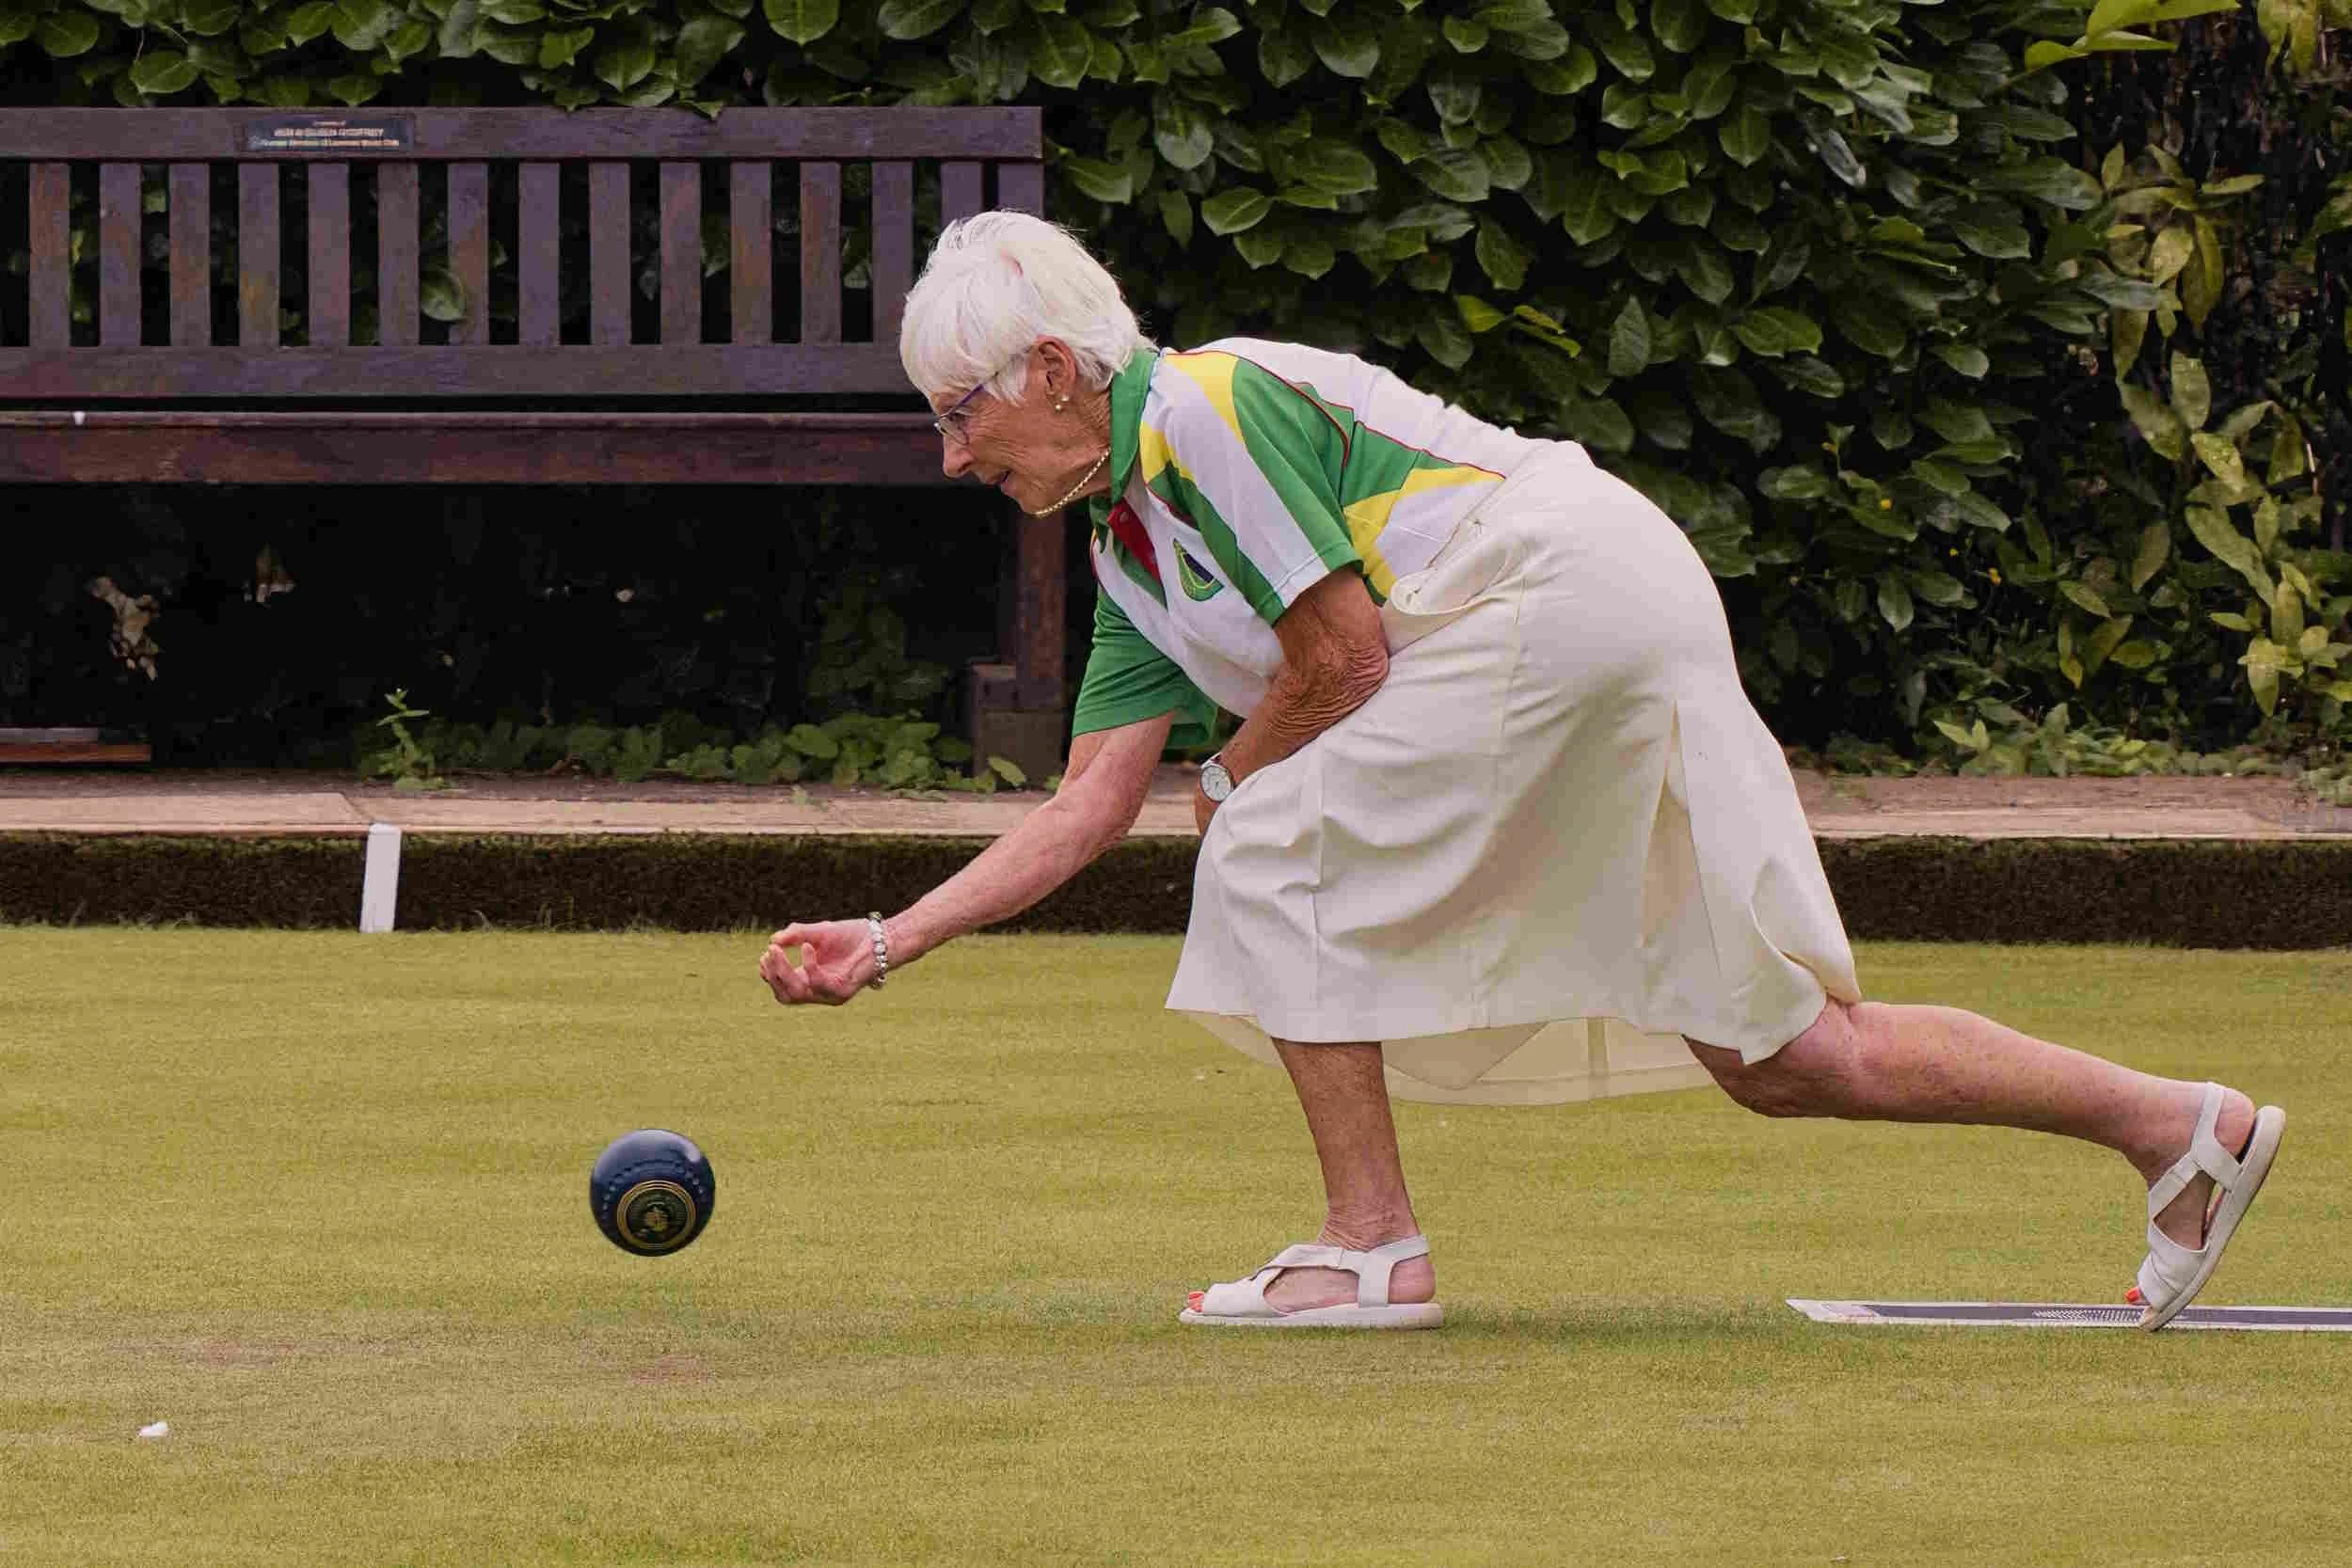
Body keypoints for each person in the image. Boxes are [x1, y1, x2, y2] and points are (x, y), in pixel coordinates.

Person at [758, 211, 2285, 1332]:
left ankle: (1370, 1248)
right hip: (1600, 613)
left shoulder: (1204, 409)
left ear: (1048, 367)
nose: (953, 456)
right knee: (1781, 1054)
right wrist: (886, 939)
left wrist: (1232, 792)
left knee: (1270, 836)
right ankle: (2178, 1125)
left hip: (1557, 594)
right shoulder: (1134, 545)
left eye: (961, 413)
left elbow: (1343, 661)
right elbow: (1090, 807)